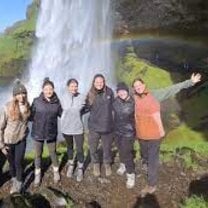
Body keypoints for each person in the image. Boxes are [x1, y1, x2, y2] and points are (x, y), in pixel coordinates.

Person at [133, 73, 201, 196]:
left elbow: (171, 89)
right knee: (145, 155)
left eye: (139, 85)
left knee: (152, 160)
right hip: (141, 135)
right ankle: (146, 163)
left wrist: (190, 82)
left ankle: (151, 185)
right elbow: (121, 97)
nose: (138, 87)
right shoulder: (134, 98)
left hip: (154, 135)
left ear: (144, 85)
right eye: (135, 86)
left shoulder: (154, 95)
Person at [30, 77, 62, 186]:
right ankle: (37, 174)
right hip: (38, 132)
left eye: (50, 89)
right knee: (38, 154)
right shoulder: (36, 101)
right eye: (46, 89)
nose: (48, 91)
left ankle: (56, 171)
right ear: (42, 90)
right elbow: (30, 115)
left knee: (53, 153)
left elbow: (63, 114)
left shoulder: (57, 103)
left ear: (53, 90)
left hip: (51, 133)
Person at [0, 79, 30, 193]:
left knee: (18, 162)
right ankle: (13, 178)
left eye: (23, 93)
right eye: (18, 94)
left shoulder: (28, 106)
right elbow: (0, 128)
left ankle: (18, 184)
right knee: (11, 162)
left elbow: (30, 120)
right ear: (14, 95)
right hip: (8, 141)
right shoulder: (6, 108)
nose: (21, 96)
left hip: (21, 141)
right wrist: (1, 145)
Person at [86, 74, 114, 177]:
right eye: (97, 82)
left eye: (101, 82)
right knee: (93, 149)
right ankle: (96, 164)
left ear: (104, 82)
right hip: (94, 127)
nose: (99, 84)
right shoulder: (90, 94)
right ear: (94, 83)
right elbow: (85, 107)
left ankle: (107, 164)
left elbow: (114, 107)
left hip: (107, 127)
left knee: (107, 148)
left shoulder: (109, 92)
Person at [60, 78, 86, 182]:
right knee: (69, 148)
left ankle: (80, 168)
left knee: (79, 149)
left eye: (76, 86)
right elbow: (59, 111)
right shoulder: (62, 98)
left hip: (78, 128)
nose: (74, 88)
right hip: (66, 128)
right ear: (68, 87)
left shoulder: (82, 97)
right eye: (72, 86)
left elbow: (85, 108)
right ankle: (71, 164)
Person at [113, 82, 136, 189]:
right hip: (117, 132)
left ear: (127, 91)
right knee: (120, 150)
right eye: (119, 91)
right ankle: (123, 165)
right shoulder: (115, 102)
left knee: (127, 153)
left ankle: (131, 175)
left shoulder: (134, 102)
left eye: (123, 90)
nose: (121, 93)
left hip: (129, 133)